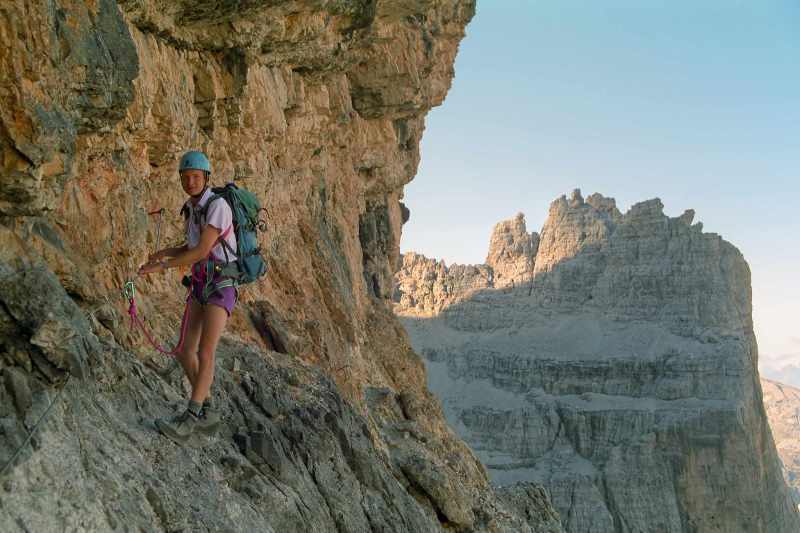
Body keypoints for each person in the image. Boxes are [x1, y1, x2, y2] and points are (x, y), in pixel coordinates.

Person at [138, 150, 237, 443]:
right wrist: (163, 253)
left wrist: (163, 266)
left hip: (221, 283)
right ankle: (208, 411)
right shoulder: (193, 208)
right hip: (201, 282)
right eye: (186, 177)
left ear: (206, 178)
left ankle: (191, 418)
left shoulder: (217, 206)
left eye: (195, 176)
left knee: (205, 352)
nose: (190, 181)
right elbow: (190, 247)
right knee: (184, 350)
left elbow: (203, 250)